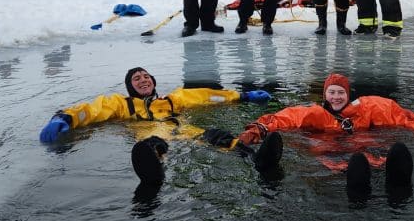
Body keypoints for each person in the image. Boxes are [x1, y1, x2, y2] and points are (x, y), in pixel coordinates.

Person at [215, 73, 414, 196]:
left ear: (348, 94)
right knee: (354, 170)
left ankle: (398, 187)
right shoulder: (314, 113)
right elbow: (283, 118)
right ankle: (360, 191)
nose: (336, 97)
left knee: (374, 159)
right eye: (331, 92)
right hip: (331, 159)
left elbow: (399, 115)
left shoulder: (369, 107)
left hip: (369, 155)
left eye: (341, 93)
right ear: (325, 95)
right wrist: (258, 129)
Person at [37, 66, 274, 185]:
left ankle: (256, 157)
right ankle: (154, 176)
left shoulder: (172, 99)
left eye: (146, 76)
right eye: (136, 78)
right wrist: (65, 118)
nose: (143, 79)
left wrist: (242, 96)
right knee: (153, 145)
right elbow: (91, 110)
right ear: (130, 87)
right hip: (150, 136)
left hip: (184, 132)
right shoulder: (122, 104)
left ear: (153, 81)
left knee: (216, 135)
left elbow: (206, 96)